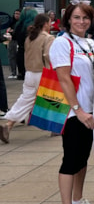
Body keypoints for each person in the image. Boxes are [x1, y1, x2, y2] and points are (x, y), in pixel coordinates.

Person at [50, 2, 94, 204]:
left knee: (81, 159)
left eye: (86, 18)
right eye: (77, 17)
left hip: (89, 110)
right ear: (68, 19)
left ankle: (78, 201)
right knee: (70, 161)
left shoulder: (90, 43)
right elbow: (64, 78)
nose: (82, 22)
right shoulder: (62, 42)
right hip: (73, 113)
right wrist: (78, 110)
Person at [1, 13, 55, 144]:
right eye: (49, 22)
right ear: (45, 24)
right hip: (43, 72)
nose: (51, 25)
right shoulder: (48, 38)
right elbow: (48, 56)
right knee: (53, 99)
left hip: (30, 73)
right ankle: (55, 127)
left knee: (25, 100)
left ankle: (8, 125)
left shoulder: (30, 37)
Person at [13, 8, 38, 80]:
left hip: (21, 51)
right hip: (32, 53)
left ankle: (21, 74)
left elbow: (14, 37)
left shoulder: (18, 25)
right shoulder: (35, 27)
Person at [7, 9, 20, 78]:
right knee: (11, 56)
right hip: (11, 40)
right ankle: (13, 72)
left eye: (18, 14)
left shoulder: (21, 23)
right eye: (15, 13)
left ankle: (20, 72)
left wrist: (13, 31)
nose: (16, 15)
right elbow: (8, 30)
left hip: (19, 41)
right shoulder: (11, 21)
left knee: (19, 57)